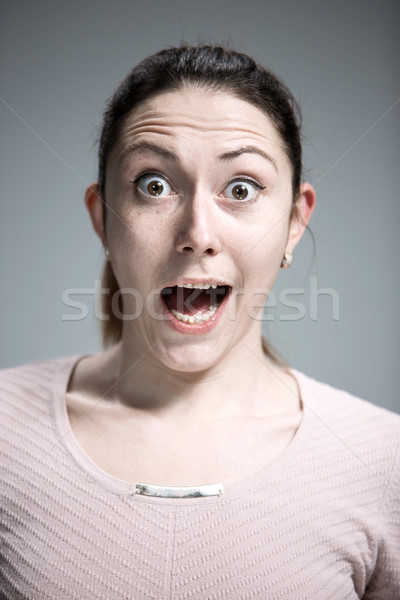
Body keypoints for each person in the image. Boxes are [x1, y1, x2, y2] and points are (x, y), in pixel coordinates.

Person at [1, 44, 399, 600]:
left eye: (241, 188)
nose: (198, 233)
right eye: (153, 185)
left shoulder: (384, 460)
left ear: (292, 223)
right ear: (103, 219)